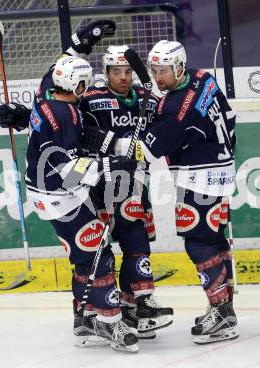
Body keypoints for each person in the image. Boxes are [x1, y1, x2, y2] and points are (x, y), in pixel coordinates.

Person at [0, 22, 145, 353]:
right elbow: (67, 170)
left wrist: (83, 42)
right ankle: (109, 320)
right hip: (60, 195)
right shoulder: (68, 115)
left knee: (84, 257)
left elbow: (58, 69)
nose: (87, 87)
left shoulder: (45, 95)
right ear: (76, 84)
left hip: (45, 193)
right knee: (98, 255)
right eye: (84, 82)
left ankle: (84, 318)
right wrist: (109, 166)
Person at [84, 40, 238, 345]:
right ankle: (224, 306)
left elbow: (144, 150)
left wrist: (104, 140)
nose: (157, 77)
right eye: (154, 70)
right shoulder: (202, 78)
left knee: (198, 243)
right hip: (222, 169)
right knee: (216, 238)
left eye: (164, 70)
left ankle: (222, 312)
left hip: (200, 178)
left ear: (179, 66)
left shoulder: (176, 108)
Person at [79, 44, 173, 339]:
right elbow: (77, 132)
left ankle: (137, 305)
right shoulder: (92, 99)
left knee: (137, 243)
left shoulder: (143, 98)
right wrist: (113, 144)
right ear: (105, 72)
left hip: (136, 183)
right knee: (99, 251)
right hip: (101, 185)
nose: (122, 77)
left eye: (127, 71)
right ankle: (93, 308)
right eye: (116, 72)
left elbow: (162, 127)